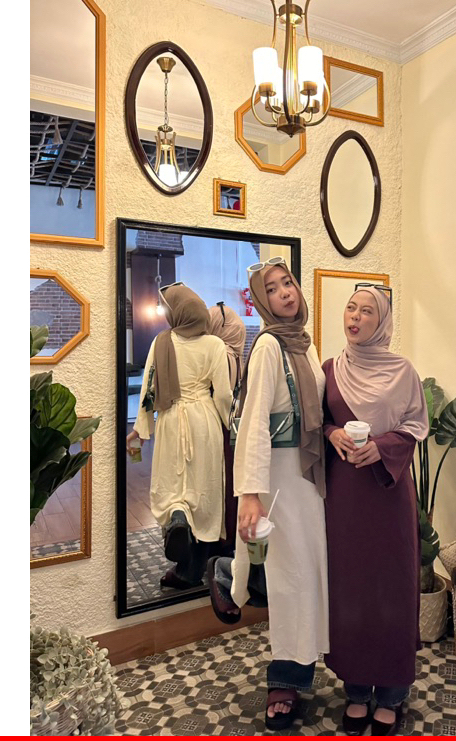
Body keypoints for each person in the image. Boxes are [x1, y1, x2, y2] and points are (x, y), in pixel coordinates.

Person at [205, 257, 328, 731]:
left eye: (288, 283)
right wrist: (251, 494)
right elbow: (254, 422)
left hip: (309, 479)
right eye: (272, 289)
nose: (284, 293)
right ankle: (285, 681)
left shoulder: (306, 345)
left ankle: (230, 574)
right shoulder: (270, 346)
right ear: (261, 301)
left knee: (304, 574)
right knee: (289, 579)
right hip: (279, 477)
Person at [322, 285, 429, 736]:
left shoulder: (403, 371)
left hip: (387, 493)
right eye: (351, 308)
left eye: (367, 311)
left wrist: (381, 447)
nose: (356, 317)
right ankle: (356, 687)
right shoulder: (330, 369)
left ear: (382, 321)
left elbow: (415, 425)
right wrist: (332, 434)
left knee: (391, 588)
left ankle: (391, 693)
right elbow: (320, 421)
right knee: (350, 588)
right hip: (345, 496)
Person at [126, 283, 232, 590]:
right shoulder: (215, 345)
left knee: (174, 484)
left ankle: (177, 517)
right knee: (204, 489)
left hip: (171, 419)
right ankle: (193, 567)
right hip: (205, 419)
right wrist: (230, 424)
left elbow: (149, 389)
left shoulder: (161, 341)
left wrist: (141, 429)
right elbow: (223, 394)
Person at [207, 301, 246, 552]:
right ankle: (227, 539)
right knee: (228, 483)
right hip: (228, 427)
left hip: (214, 426)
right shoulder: (230, 355)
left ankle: (216, 540)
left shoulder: (217, 353)